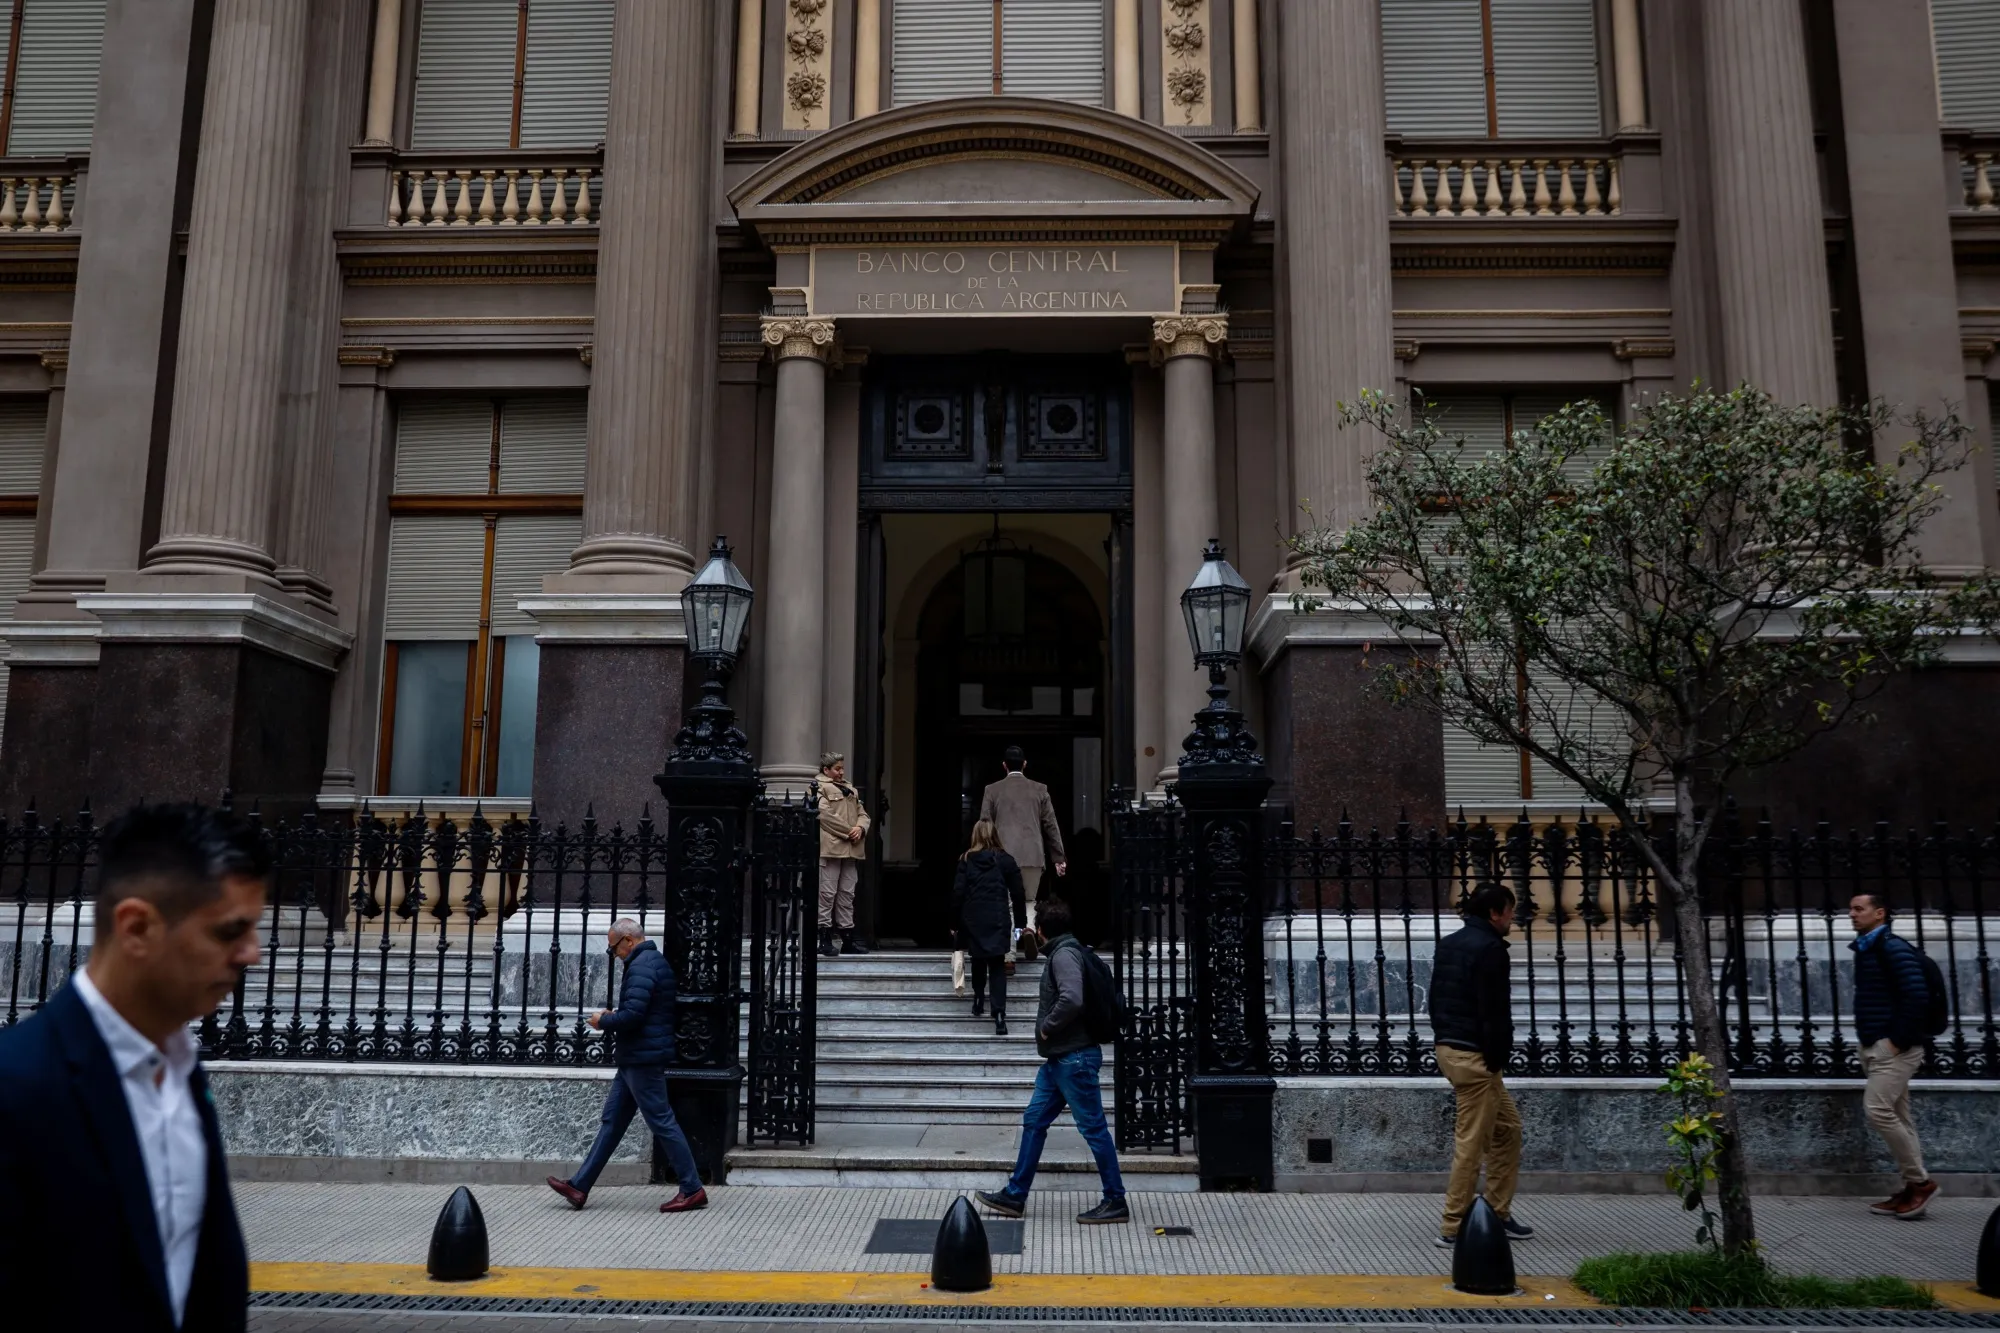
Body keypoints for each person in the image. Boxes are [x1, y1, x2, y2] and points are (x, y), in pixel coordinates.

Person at [0, 803, 267, 1332]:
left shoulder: (184, 1072)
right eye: (228, 932)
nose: (251, 954)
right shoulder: (19, 1088)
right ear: (137, 926)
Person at [975, 897, 1129, 1225]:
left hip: (1073, 1059)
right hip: (1060, 1062)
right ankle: (1015, 1195)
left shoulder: (1063, 956)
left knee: (1094, 1129)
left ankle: (1115, 1200)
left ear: (1041, 930)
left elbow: (1072, 997)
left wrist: (1047, 1027)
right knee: (1034, 1121)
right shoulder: (1067, 951)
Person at [546, 919, 708, 1214]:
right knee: (613, 1122)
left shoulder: (642, 965)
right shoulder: (650, 962)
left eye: (614, 948)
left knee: (661, 1120)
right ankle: (579, 1186)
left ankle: (692, 1188)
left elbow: (634, 1015)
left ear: (629, 940)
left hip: (642, 1058)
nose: (614, 954)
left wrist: (603, 1021)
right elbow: (644, 1010)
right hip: (636, 1056)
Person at [1427, 879, 1533, 1248]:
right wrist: (1497, 1055)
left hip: (1456, 1049)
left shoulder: (1450, 944)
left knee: (1508, 1130)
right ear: (1493, 913)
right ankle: (1454, 1225)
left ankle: (1495, 1213)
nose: (1512, 919)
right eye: (1509, 912)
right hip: (1477, 1058)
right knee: (1472, 1142)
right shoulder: (1490, 949)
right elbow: (1494, 1010)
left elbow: (1435, 999)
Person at [1849, 892, 1940, 1219]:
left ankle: (1921, 1183)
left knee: (1877, 1110)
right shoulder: (1870, 948)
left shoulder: (1892, 948)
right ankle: (1911, 1187)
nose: (1852, 914)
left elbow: (1916, 997)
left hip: (1894, 1048)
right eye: (1851, 909)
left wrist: (1895, 1043)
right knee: (1900, 1117)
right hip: (1877, 1044)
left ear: (1880, 913)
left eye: (1859, 909)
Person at [978, 746, 1066, 950]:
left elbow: (984, 824)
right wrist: (1059, 858)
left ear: (1004, 765)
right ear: (1025, 764)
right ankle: (1027, 929)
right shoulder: (1040, 789)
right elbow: (1050, 824)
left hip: (1000, 855)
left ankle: (1009, 954)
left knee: (1005, 903)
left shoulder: (991, 790)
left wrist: (981, 855)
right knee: (1028, 899)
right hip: (1032, 855)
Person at [951, 820, 1027, 1035]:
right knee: (996, 965)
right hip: (998, 917)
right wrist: (1020, 923)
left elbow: (958, 893)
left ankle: (977, 1000)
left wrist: (954, 923)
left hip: (973, 918)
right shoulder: (1006, 860)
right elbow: (1019, 893)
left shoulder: (966, 860)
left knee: (977, 958)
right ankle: (1000, 1014)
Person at [815, 751, 871, 959]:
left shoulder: (850, 789)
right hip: (831, 849)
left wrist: (861, 829)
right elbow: (825, 815)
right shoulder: (819, 787)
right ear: (826, 770)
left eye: (842, 768)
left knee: (847, 894)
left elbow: (864, 815)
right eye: (837, 769)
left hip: (851, 850)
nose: (841, 772)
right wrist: (850, 831)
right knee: (826, 894)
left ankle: (848, 938)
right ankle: (824, 938)